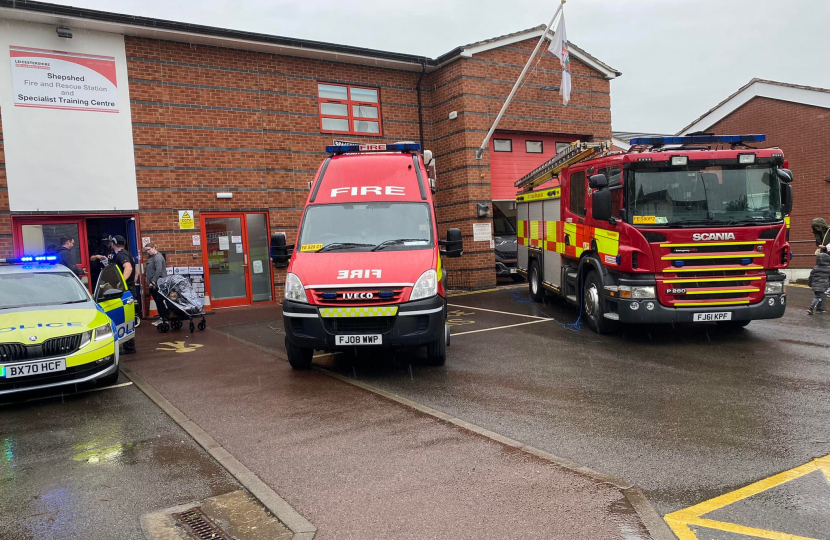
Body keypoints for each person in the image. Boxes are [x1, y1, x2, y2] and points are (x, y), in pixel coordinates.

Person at [111, 235, 137, 354]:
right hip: (130, 288)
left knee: (125, 319)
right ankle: (128, 346)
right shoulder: (128, 253)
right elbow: (135, 270)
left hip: (125, 291)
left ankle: (129, 347)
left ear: (113, 244)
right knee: (129, 318)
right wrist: (133, 281)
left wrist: (120, 284)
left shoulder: (120, 255)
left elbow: (129, 268)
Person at [144, 243, 166, 314]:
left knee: (160, 301)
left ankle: (163, 318)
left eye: (149, 249)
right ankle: (162, 317)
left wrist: (153, 281)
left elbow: (159, 270)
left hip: (157, 284)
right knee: (158, 301)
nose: (148, 252)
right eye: (146, 250)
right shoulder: (152, 257)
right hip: (153, 284)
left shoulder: (158, 257)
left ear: (154, 248)